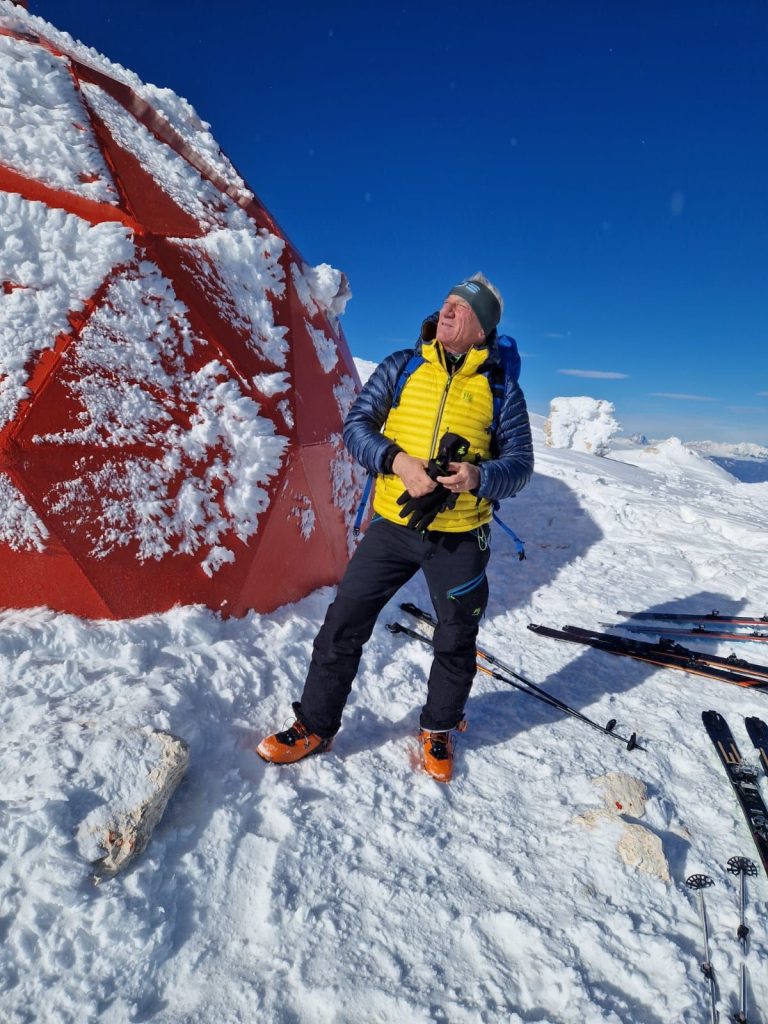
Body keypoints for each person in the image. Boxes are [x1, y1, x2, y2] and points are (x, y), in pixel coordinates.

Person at [257, 273, 534, 781]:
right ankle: (315, 725)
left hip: (461, 537)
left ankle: (440, 726)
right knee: (344, 622)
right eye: (446, 302)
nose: (447, 310)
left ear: (482, 329)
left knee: (456, 636)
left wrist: (477, 476)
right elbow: (355, 427)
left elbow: (520, 466)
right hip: (395, 524)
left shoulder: (502, 390)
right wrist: (398, 462)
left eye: (461, 307)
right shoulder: (402, 366)